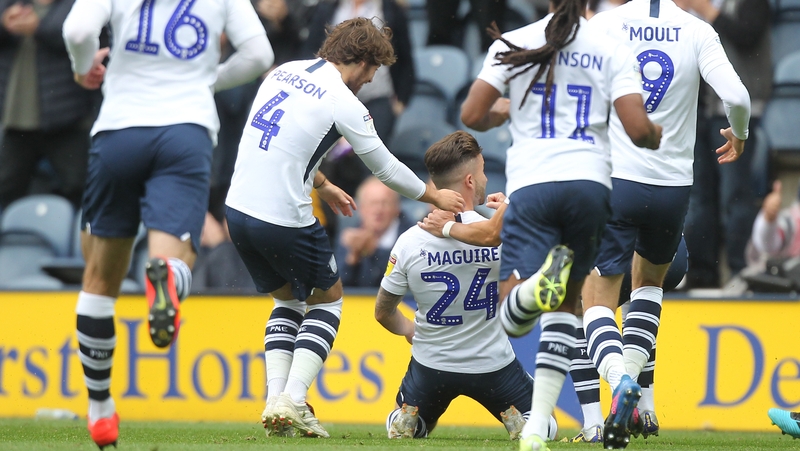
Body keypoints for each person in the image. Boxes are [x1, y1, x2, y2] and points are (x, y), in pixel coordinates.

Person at [224, 17, 465, 439]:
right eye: (374, 70)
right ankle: (294, 400)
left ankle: (275, 402)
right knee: (328, 302)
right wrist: (435, 196)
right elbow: (386, 168)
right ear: (363, 60)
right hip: (283, 216)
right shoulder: (343, 101)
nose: (372, 79)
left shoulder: (283, 71)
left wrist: (324, 182)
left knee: (287, 302)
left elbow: (275, 141)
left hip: (239, 211)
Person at [62, 1, 273, 448]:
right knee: (174, 252)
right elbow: (259, 55)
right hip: (185, 129)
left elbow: (79, 30)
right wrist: (204, 80)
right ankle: (169, 280)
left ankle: (100, 410)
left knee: (99, 278)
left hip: (119, 129)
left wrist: (84, 69)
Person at [459, 0, 662, 446]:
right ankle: (535, 431)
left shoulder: (518, 41)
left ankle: (533, 288)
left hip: (533, 184)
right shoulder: (610, 46)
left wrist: (508, 111)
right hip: (590, 187)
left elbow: (472, 115)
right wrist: (655, 133)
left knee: (513, 317)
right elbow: (637, 128)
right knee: (567, 310)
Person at [581, 0, 749, 446]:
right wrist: (741, 133)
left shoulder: (605, 23)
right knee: (648, 288)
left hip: (617, 178)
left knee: (593, 298)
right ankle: (636, 393)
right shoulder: (695, 30)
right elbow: (738, 97)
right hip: (673, 186)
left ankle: (619, 382)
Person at [377, 130, 557, 441]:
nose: (486, 177)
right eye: (483, 170)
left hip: (430, 366)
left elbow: (383, 312)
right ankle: (524, 423)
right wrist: (510, 209)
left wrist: (410, 330)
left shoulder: (408, 242)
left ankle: (407, 419)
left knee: (412, 421)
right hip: (493, 366)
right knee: (546, 425)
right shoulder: (502, 237)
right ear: (471, 181)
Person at [681, 0, 771, 289]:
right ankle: (701, 273)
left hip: (741, 115)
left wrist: (704, 11)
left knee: (735, 196)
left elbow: (748, 35)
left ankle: (739, 272)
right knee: (698, 197)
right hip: (699, 111)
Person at [0, 0, 98, 211]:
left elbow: (81, 36)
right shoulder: (11, 4)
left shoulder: (77, 5)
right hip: (15, 120)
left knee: (79, 188)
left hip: (66, 120)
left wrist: (39, 28)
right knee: (6, 189)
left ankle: (76, 242)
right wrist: (4, 23)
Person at [334, 176, 417, 287]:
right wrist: (353, 257)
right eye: (373, 203)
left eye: (384, 203)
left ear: (397, 208)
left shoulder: (413, 237)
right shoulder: (350, 238)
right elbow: (338, 287)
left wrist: (375, 252)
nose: (378, 210)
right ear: (361, 209)